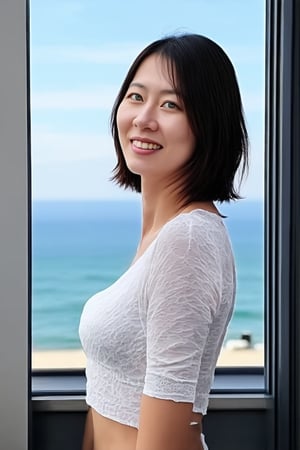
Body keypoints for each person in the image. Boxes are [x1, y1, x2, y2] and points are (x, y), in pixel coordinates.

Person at [79, 33, 248, 450]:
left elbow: (168, 439)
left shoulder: (187, 241)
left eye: (170, 104)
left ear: (209, 124)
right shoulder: (166, 234)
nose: (144, 118)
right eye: (136, 97)